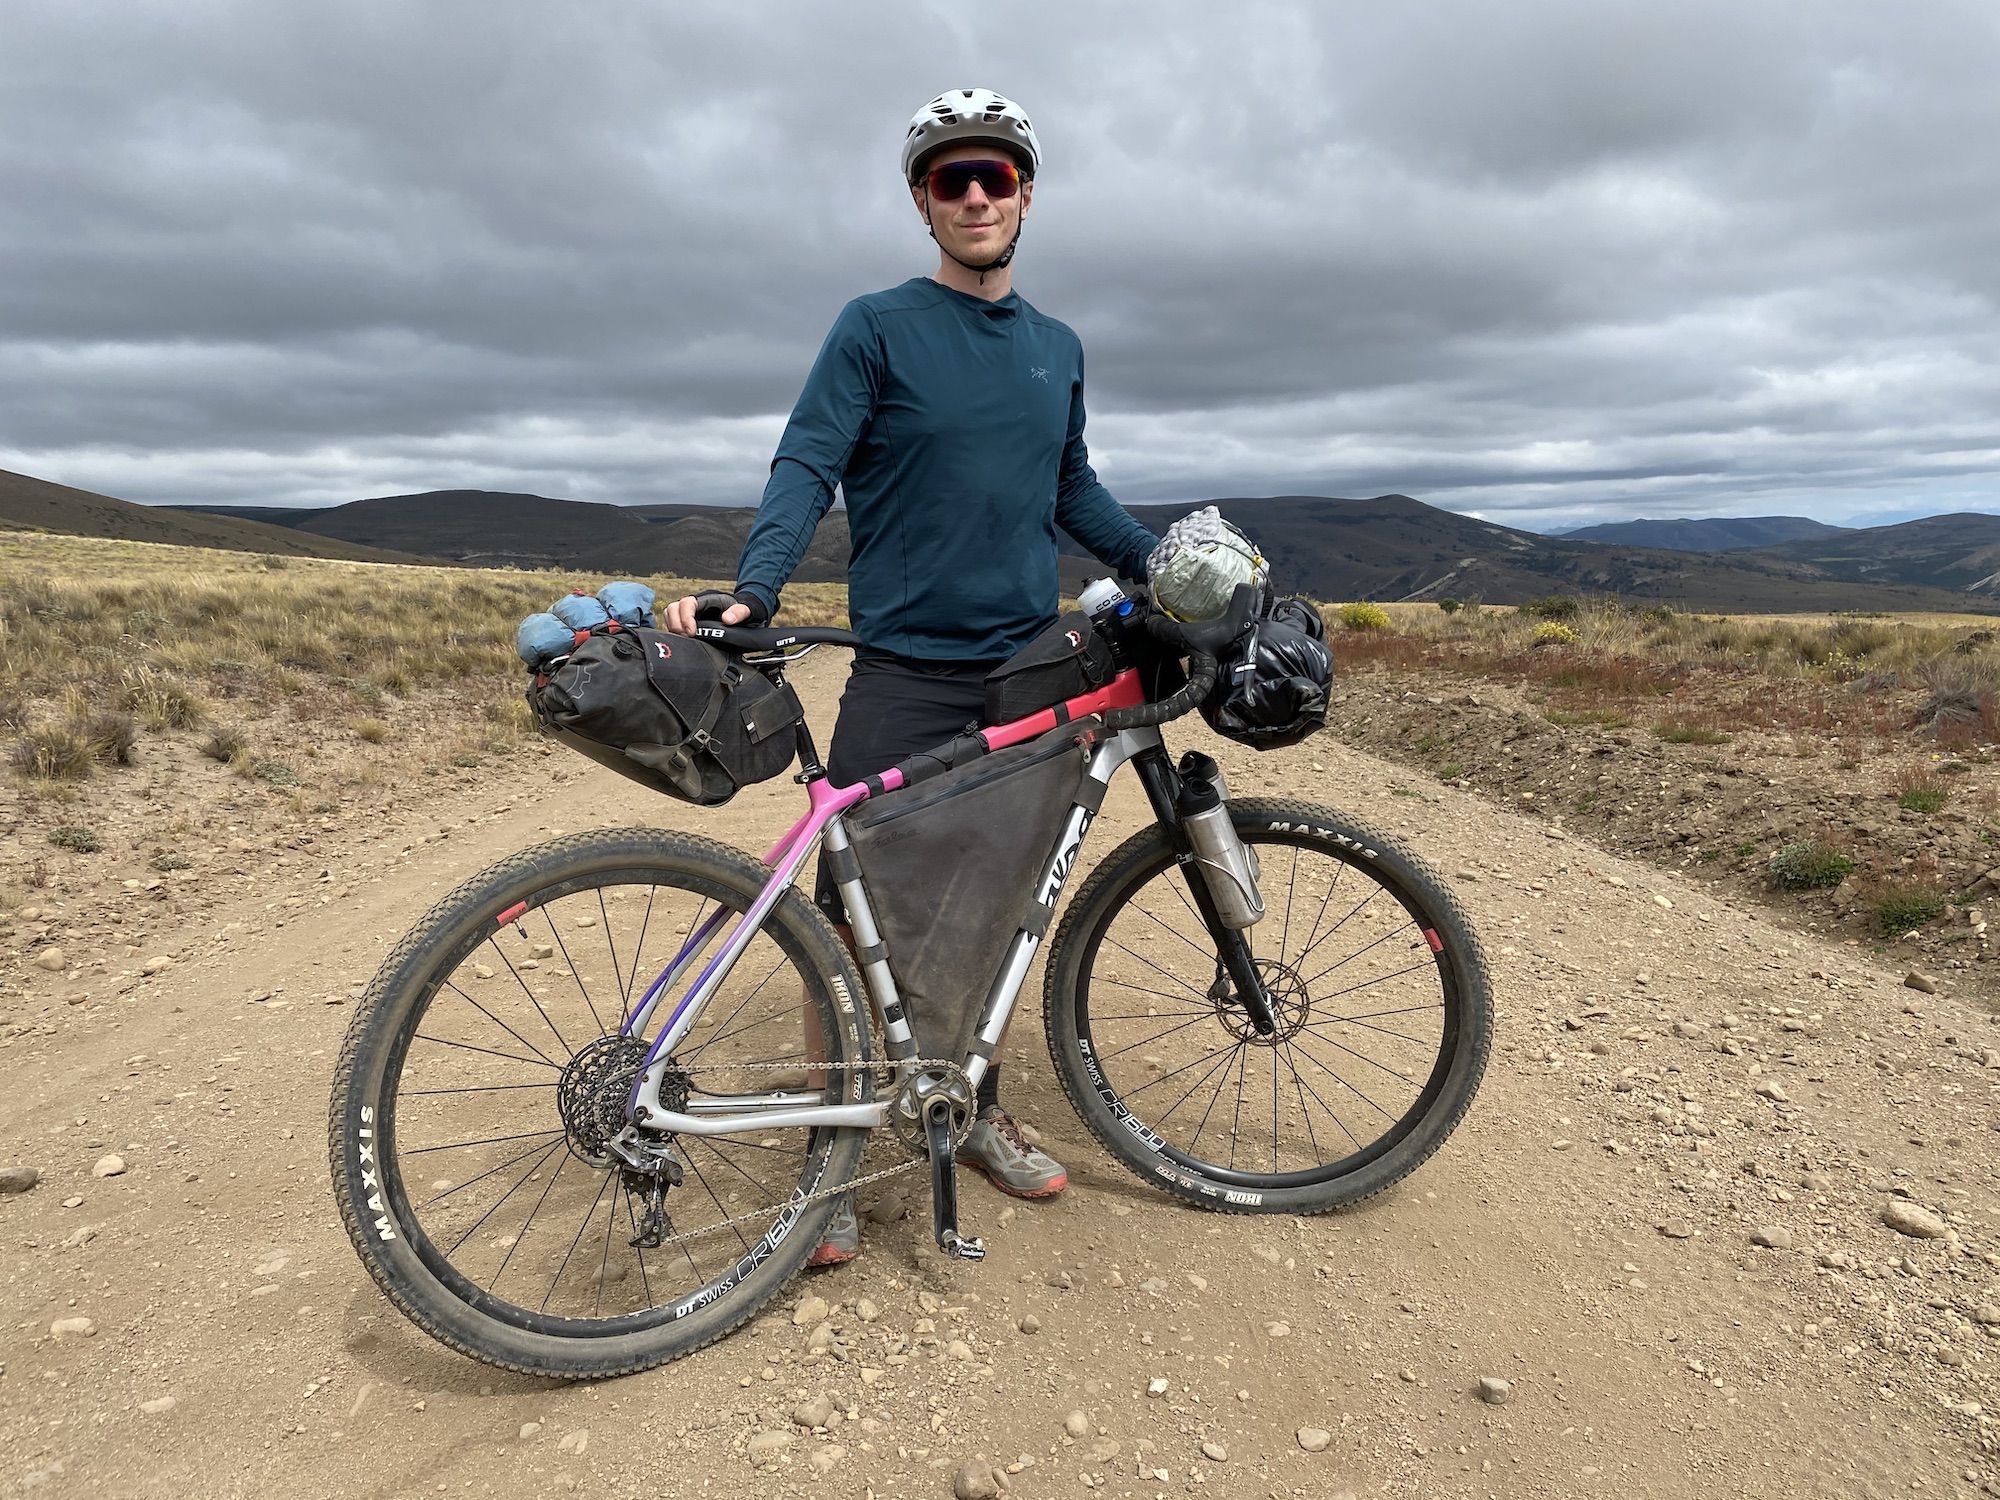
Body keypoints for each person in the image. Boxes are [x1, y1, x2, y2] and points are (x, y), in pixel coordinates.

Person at [664, 87, 1158, 1265]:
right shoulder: (875, 326)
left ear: (1027, 195)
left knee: (997, 897)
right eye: (952, 179)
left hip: (1026, 664)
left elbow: (1069, 490)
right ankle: (827, 1159)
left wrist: (1170, 566)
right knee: (848, 917)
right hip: (903, 668)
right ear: (922, 200)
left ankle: (969, 1106)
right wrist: (757, 586)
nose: (976, 194)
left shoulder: (1057, 347)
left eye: (996, 175)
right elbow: (807, 461)